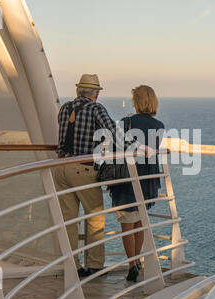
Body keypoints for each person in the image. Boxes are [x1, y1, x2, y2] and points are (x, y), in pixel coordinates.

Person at [54, 74, 149, 278]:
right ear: (95, 93)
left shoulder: (64, 108)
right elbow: (115, 133)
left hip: (61, 166)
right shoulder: (95, 108)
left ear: (79, 90)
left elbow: (62, 137)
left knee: (69, 220)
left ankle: (72, 265)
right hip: (83, 168)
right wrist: (138, 147)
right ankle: (94, 266)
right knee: (95, 218)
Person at [109, 85, 165, 282]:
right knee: (141, 221)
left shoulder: (125, 123)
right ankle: (138, 260)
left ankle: (132, 264)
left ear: (136, 101)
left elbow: (114, 146)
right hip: (148, 179)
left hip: (127, 178)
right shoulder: (159, 125)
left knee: (127, 223)